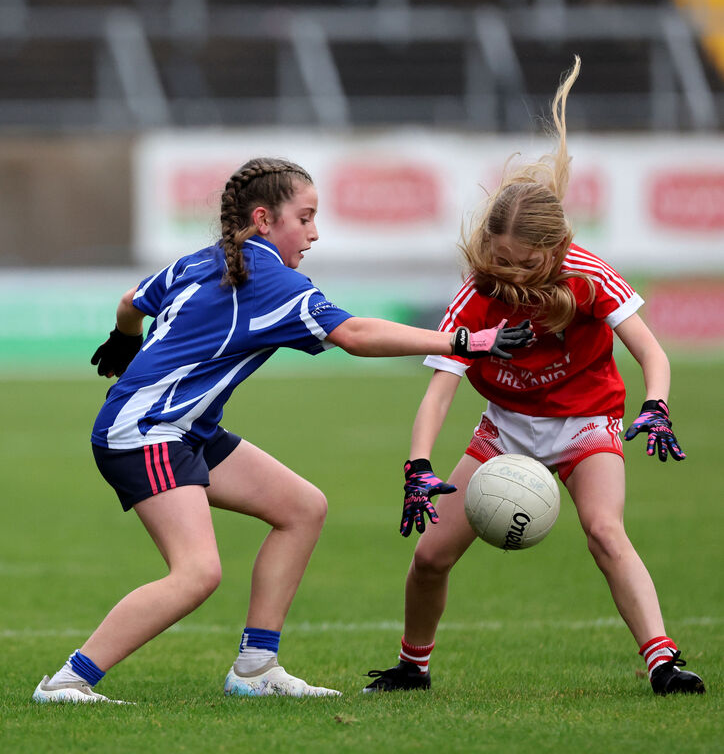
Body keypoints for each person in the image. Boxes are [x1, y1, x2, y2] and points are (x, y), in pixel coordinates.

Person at [32, 157, 533, 704]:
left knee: (301, 507)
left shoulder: (204, 261)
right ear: (266, 219)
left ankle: (256, 668)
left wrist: (123, 337)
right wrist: (464, 341)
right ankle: (67, 681)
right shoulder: (273, 280)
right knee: (197, 573)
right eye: (306, 217)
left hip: (184, 428)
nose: (314, 233)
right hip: (147, 432)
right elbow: (357, 335)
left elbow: (132, 303)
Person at [363, 58, 706, 697]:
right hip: (506, 430)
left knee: (605, 532)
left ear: (553, 252)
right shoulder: (476, 297)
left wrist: (656, 405)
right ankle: (413, 668)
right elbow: (439, 391)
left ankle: (663, 662)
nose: (509, 276)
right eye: (497, 260)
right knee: (430, 557)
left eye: (523, 264)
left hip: (586, 421)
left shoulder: (588, 275)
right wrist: (417, 466)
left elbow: (651, 353)